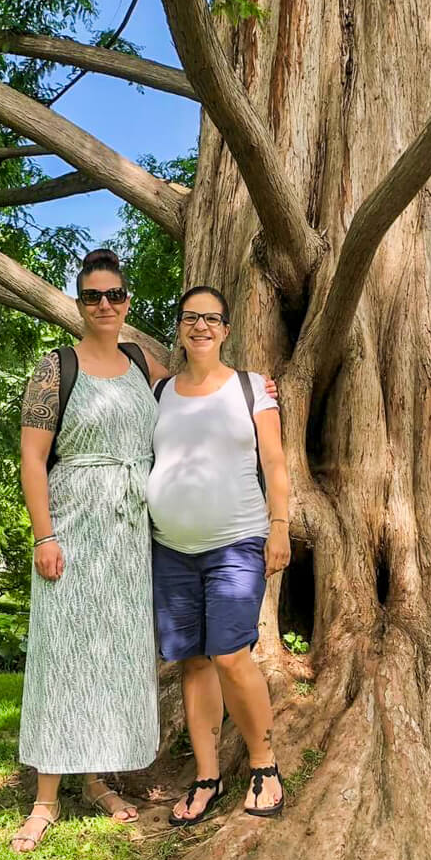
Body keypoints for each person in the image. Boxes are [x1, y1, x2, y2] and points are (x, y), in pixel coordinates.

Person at [11, 248, 168, 851]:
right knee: (62, 655)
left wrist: (254, 390)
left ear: (127, 302)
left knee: (113, 655)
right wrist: (44, 534)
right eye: (93, 296)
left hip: (129, 532)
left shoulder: (139, 363)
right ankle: (46, 797)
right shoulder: (56, 368)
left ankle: (97, 782)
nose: (105, 305)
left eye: (115, 295)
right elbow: (31, 456)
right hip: (73, 523)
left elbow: (188, 399)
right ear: (79, 303)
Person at [146, 286, 291, 825]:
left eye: (211, 319)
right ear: (180, 327)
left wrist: (280, 527)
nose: (200, 326)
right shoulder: (160, 392)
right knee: (194, 661)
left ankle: (264, 765)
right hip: (172, 550)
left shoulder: (253, 389)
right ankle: (207, 776)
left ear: (226, 330)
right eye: (190, 318)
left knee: (231, 655)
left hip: (237, 542)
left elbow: (275, 463)